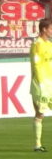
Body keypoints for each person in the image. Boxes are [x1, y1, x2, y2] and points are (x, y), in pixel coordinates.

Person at [31, 18, 52, 152]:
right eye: (50, 28)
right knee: (40, 113)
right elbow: (36, 64)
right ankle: (37, 144)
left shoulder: (49, 44)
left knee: (40, 113)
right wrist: (41, 83)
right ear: (44, 29)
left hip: (50, 81)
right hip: (41, 84)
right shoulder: (37, 44)